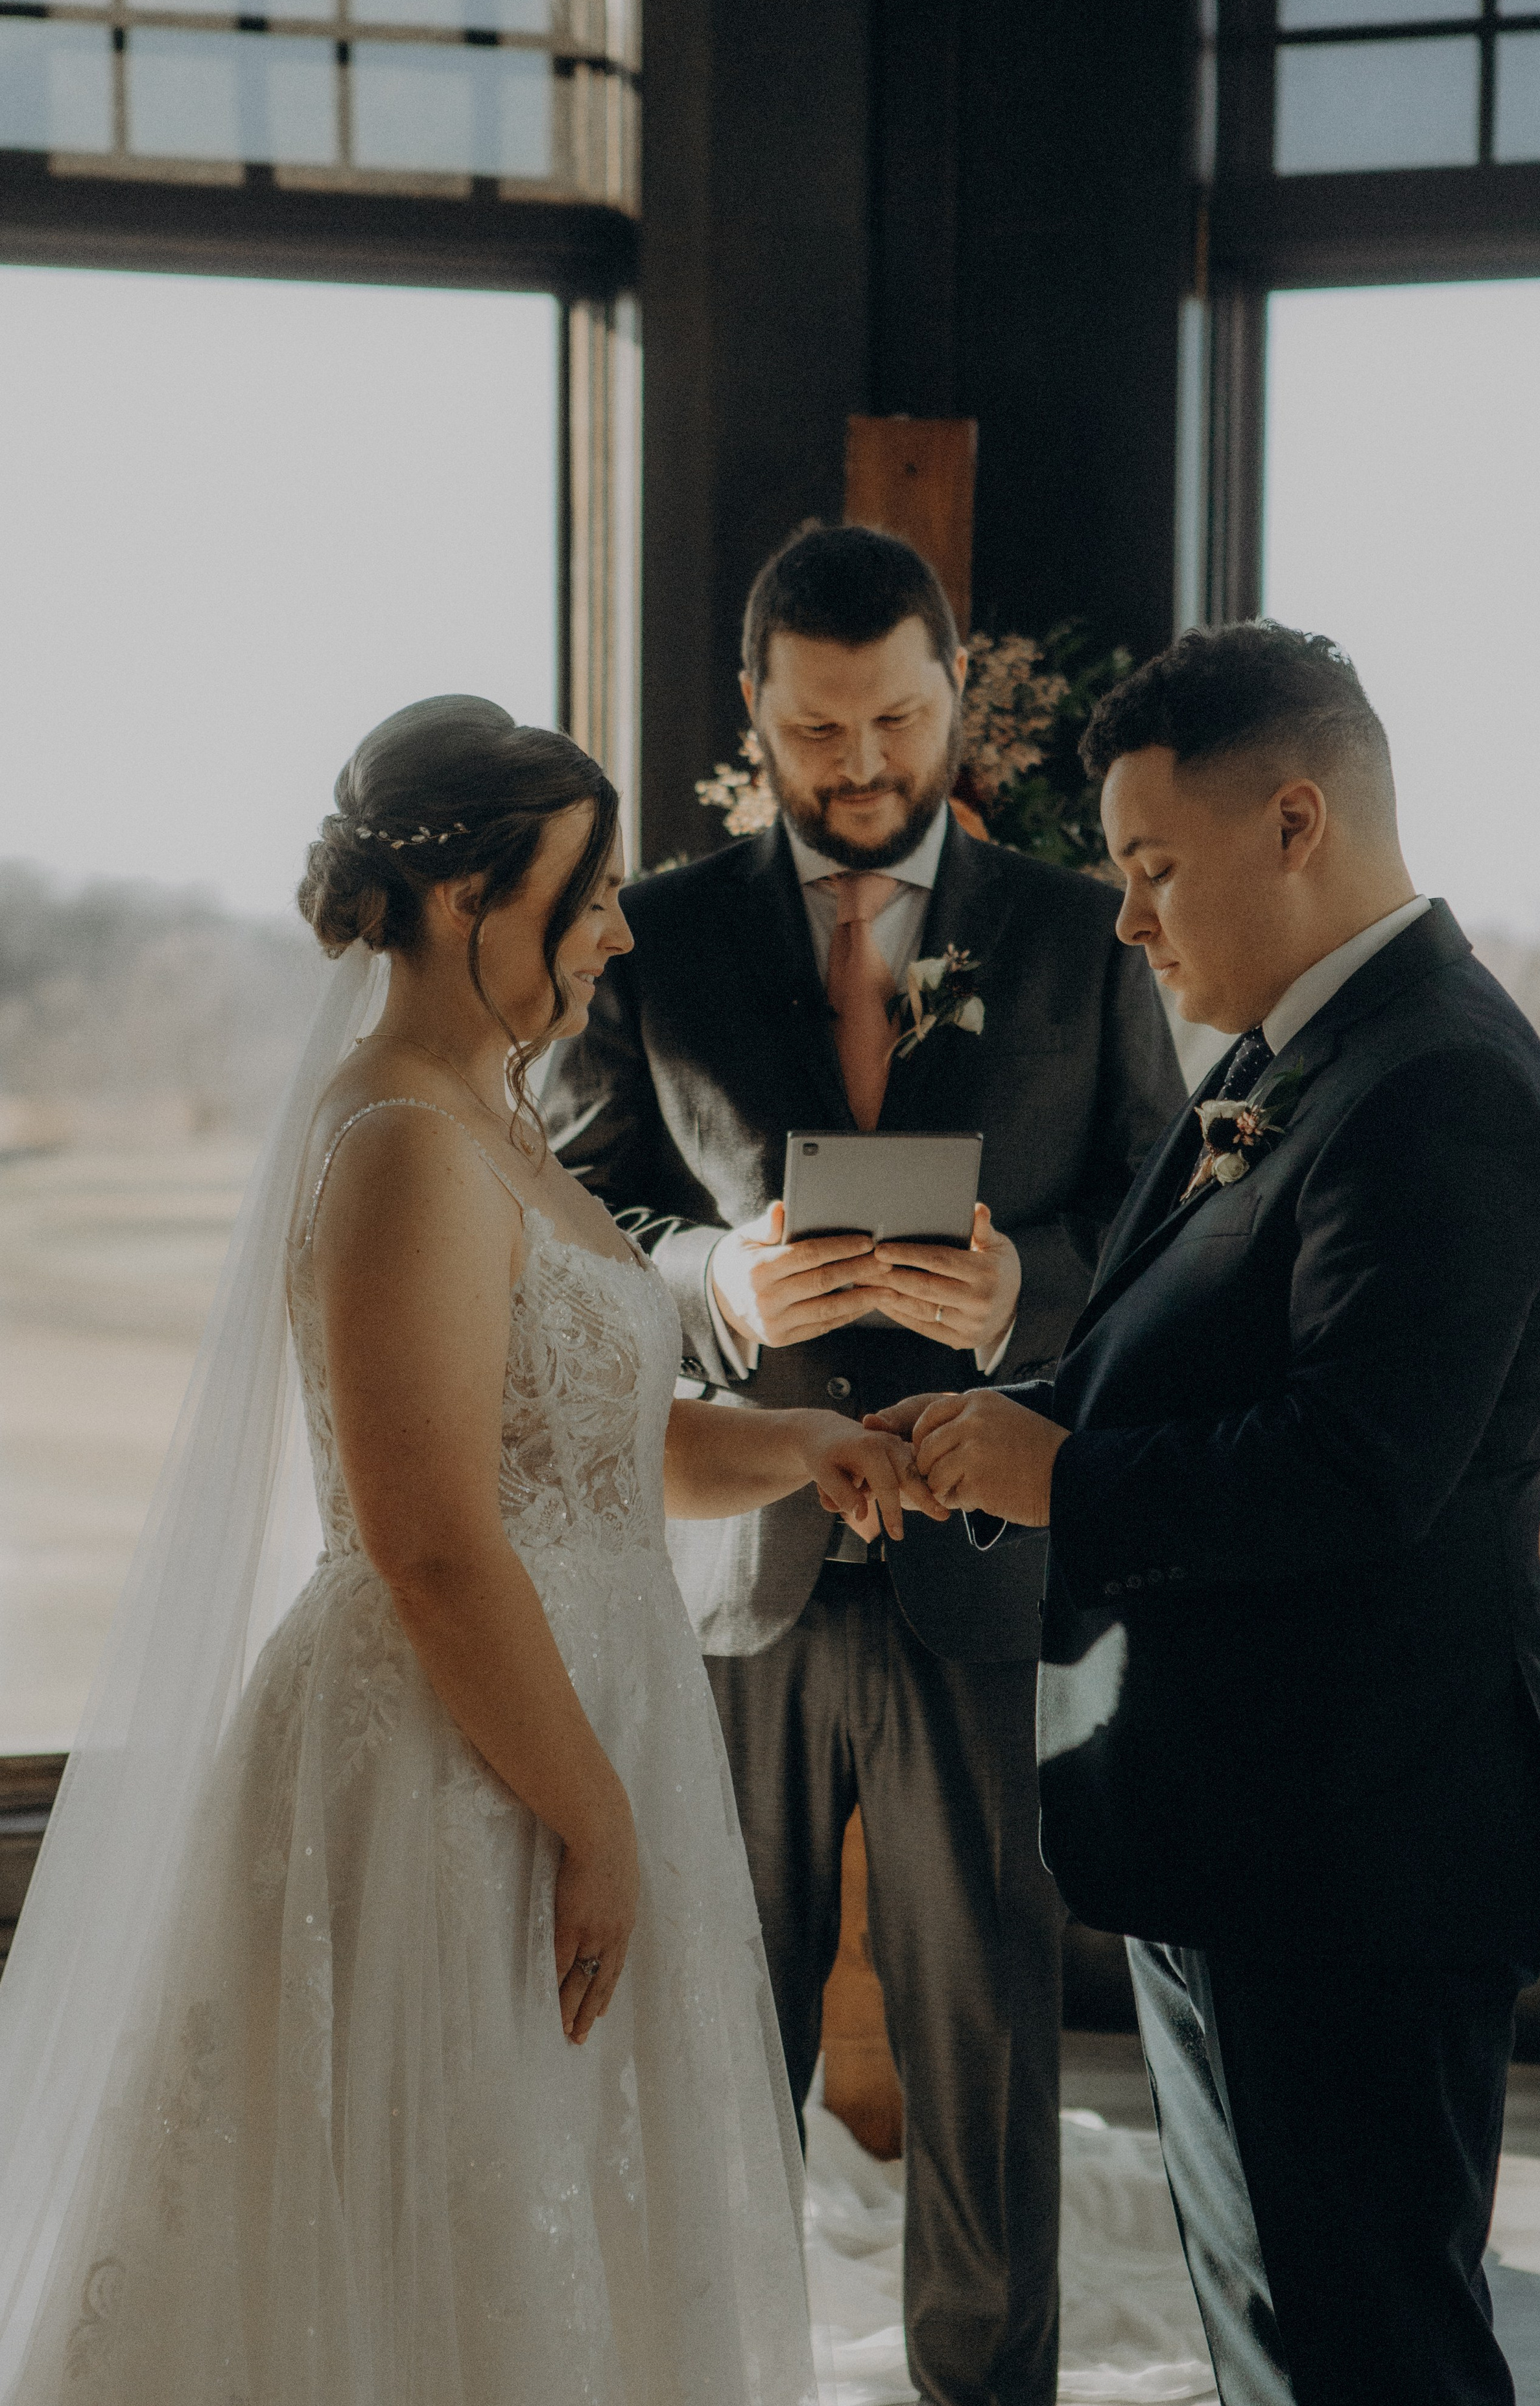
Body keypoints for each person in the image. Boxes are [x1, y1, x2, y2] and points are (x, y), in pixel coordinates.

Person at [0, 696, 934, 2403]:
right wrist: (591, 1812)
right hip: (457, 1754)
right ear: (458, 899)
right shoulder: (407, 1145)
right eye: (580, 897)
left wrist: (803, 1443)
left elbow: (585, 1449)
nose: (614, 931)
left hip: (573, 1710)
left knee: (555, 2188)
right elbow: (432, 1533)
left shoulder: (498, 1121)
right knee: (442, 2184)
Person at [873, 621, 1540, 2406]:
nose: (1128, 921)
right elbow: (1184, 1357)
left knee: (1374, 2350)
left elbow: (1360, 1465)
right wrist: (1008, 1422)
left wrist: (1059, 1473)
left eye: (1148, 868)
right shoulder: (1292, 1051)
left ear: (1298, 821)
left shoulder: (1439, 1084)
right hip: (1240, 1822)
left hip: (1368, 1842)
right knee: (1271, 2333)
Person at [539, 525, 1185, 2406]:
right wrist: (709, 1271)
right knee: (715, 2034)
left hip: (986, 1565)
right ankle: (710, 2374)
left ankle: (991, 2389)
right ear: (757, 707)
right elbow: (577, 1200)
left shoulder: (1074, 928)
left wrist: (1018, 1296)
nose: (862, 762)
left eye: (896, 715)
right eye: (818, 728)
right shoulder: (650, 929)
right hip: (743, 1562)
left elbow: (1154, 1215)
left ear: (951, 687)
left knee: (988, 2043)